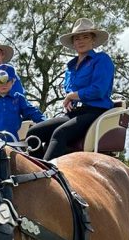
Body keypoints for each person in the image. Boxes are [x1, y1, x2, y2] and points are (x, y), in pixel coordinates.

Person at [26, 18, 115, 161]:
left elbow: (99, 90)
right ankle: (36, 170)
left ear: (93, 40)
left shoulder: (101, 59)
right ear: (73, 43)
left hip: (96, 112)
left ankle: (47, 176)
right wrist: (70, 99)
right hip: (75, 113)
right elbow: (68, 92)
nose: (80, 41)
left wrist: (72, 96)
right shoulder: (70, 68)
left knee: (60, 133)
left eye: (85, 37)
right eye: (77, 38)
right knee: (33, 133)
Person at [0, 63, 44, 141]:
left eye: (7, 81)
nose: (4, 84)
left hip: (13, 143)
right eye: (0, 81)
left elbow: (34, 113)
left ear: (13, 81)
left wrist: (49, 124)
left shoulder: (18, 98)